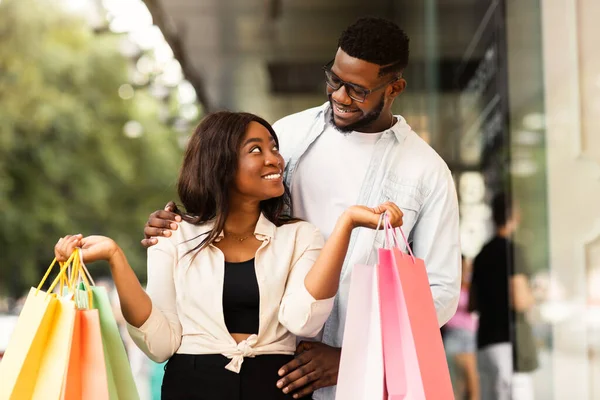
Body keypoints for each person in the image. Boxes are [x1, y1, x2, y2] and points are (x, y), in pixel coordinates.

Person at [143, 17, 461, 399]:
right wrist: (180, 223)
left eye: (357, 90)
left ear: (394, 88)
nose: (340, 96)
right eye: (334, 80)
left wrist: (350, 357)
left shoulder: (427, 172)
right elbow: (232, 204)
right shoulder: (288, 136)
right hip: (270, 372)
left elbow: (439, 292)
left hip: (363, 378)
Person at [54, 111, 403, 400]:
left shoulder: (300, 236)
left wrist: (347, 224)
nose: (275, 159)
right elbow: (160, 343)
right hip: (192, 388)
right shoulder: (174, 236)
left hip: (276, 388)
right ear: (220, 163)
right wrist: (116, 258)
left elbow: (303, 320)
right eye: (256, 149)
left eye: (274, 147)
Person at [469, 193, 538, 400]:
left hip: (485, 342)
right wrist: (537, 295)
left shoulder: (482, 254)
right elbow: (519, 300)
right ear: (515, 215)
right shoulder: (513, 251)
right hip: (510, 345)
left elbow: (473, 303)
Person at [443, 256, 479, 400]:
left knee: (472, 381)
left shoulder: (472, 288)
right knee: (456, 381)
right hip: (453, 334)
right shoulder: (451, 287)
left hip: (469, 335)